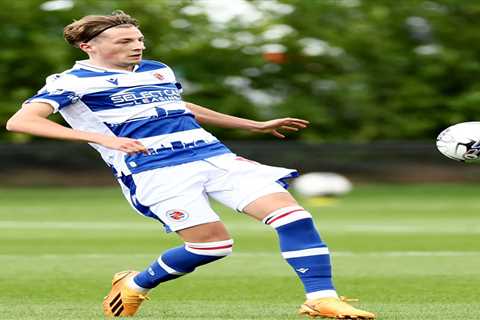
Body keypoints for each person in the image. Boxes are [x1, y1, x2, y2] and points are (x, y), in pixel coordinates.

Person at [6, 11, 376, 319]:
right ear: (89, 46)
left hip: (213, 156)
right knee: (213, 247)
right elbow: (21, 122)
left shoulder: (156, 69)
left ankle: (321, 298)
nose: (136, 46)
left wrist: (253, 124)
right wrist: (102, 138)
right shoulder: (71, 82)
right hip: (155, 169)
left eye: (138, 40)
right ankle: (134, 284)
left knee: (292, 216)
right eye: (125, 41)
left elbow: (180, 107)